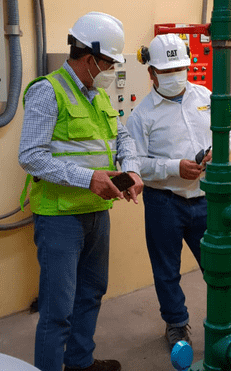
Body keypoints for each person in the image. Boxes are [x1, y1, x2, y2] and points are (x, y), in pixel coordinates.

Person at [18, 12, 143, 371]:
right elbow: (30, 157)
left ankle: (80, 362)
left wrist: (131, 169)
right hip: (60, 219)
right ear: (90, 58)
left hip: (97, 213)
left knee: (90, 294)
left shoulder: (98, 94)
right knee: (57, 310)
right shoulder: (48, 91)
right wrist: (89, 178)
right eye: (108, 63)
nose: (110, 70)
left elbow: (121, 137)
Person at [126, 33, 231, 351]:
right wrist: (175, 168)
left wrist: (219, 151)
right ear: (151, 73)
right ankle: (175, 325)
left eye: (180, 69)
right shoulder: (142, 115)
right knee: (166, 270)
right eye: (168, 71)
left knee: (220, 265)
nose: (176, 76)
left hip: (207, 200)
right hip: (164, 202)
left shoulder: (205, 95)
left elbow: (226, 134)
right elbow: (135, 164)